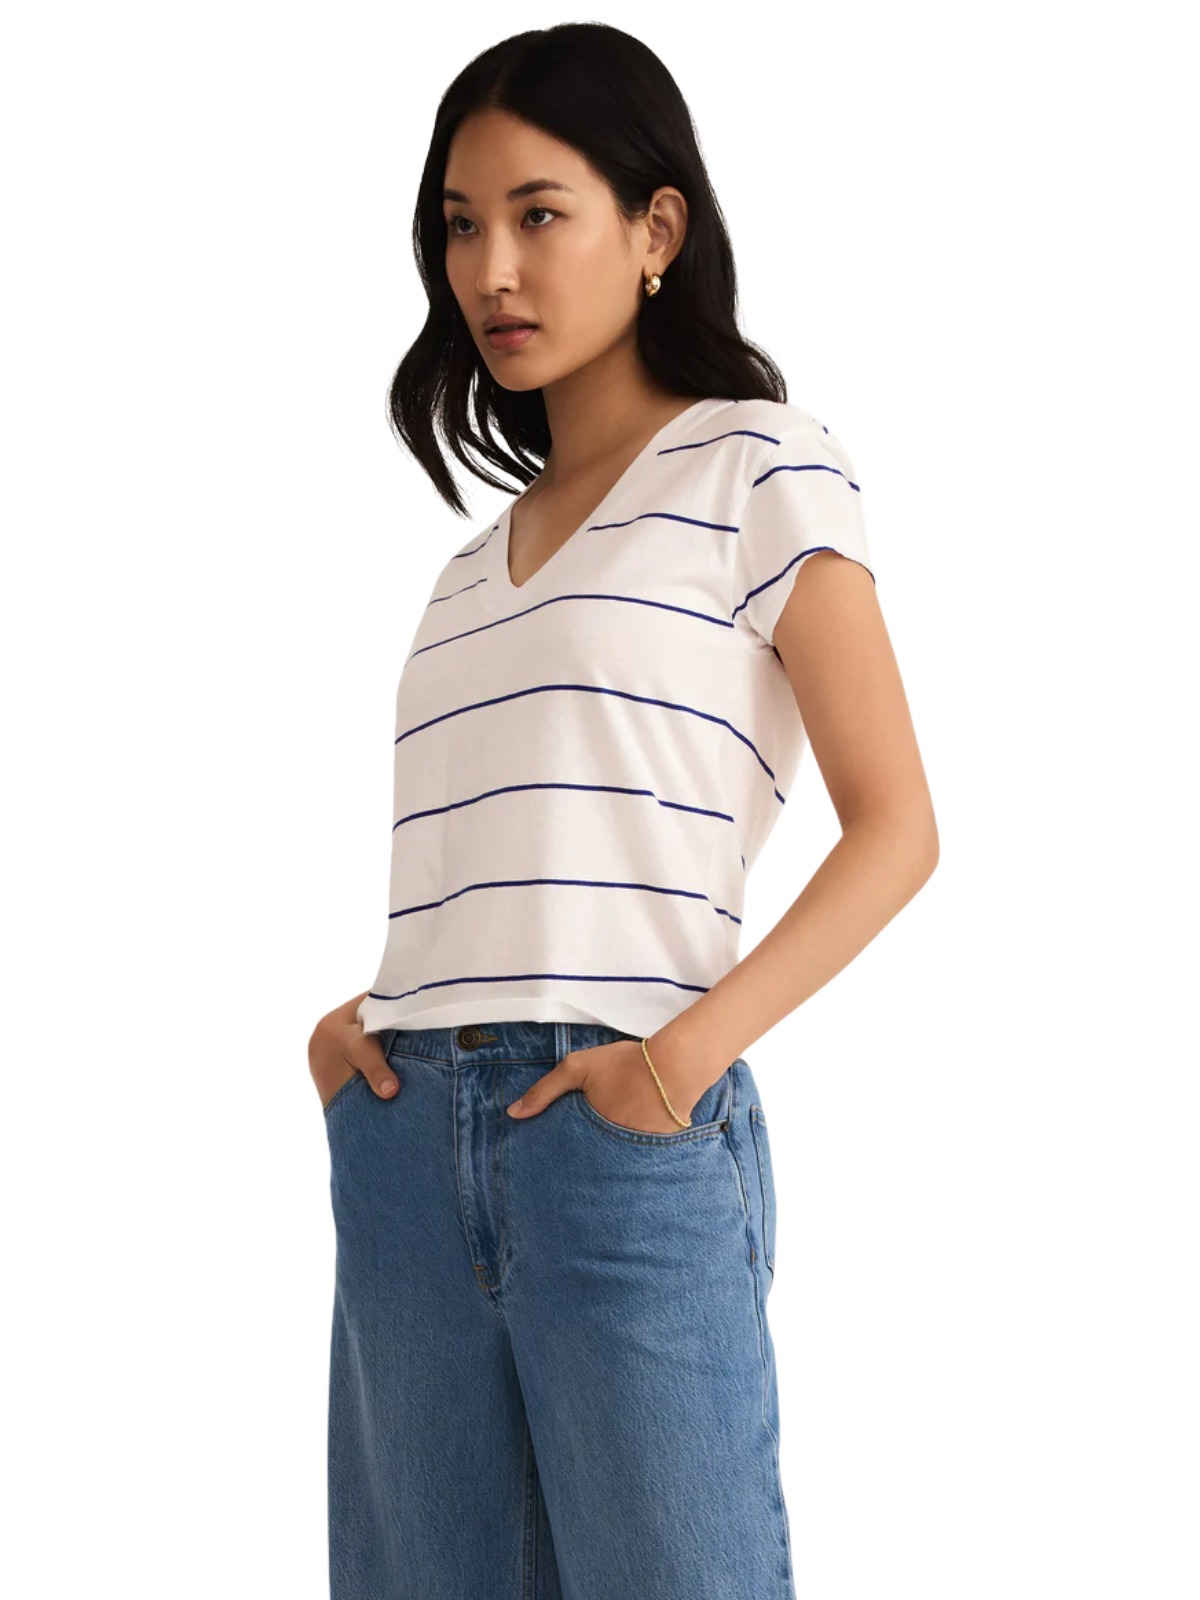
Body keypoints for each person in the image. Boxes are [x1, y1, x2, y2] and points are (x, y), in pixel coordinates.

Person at [307, 22, 938, 1600]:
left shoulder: (760, 468)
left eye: (540, 213)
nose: (491, 269)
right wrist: (360, 1039)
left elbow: (898, 826)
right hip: (404, 1146)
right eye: (461, 224)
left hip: (617, 1137)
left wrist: (681, 1060)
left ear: (657, 230)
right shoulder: (471, 568)